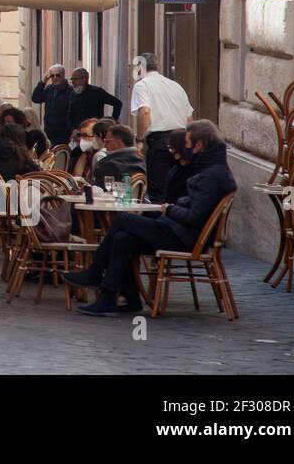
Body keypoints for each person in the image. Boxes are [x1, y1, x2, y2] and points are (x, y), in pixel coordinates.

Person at [67, 119, 236, 315]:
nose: (186, 147)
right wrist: (178, 205)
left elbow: (196, 216)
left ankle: (96, 271)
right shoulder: (213, 169)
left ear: (199, 145)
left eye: (188, 143)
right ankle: (117, 298)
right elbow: (194, 204)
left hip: (183, 236)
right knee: (123, 239)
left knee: (123, 220)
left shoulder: (211, 174)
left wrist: (170, 209)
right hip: (179, 231)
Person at [130, 52, 194, 201]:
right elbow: (189, 119)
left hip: (160, 142)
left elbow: (145, 113)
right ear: (157, 67)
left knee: (159, 192)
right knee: (179, 190)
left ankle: (162, 222)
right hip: (183, 141)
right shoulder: (175, 85)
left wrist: (139, 140)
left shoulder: (142, 85)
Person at [92, 124, 146, 190]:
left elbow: (98, 193)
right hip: (136, 200)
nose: (105, 146)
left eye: (107, 142)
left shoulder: (110, 165)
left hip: (112, 199)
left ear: (119, 143)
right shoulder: (142, 163)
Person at [31, 64, 73, 147]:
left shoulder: (70, 91)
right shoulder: (49, 89)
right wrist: (43, 82)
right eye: (52, 76)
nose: (55, 78)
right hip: (49, 130)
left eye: (58, 75)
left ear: (63, 75)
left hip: (64, 132)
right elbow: (35, 98)